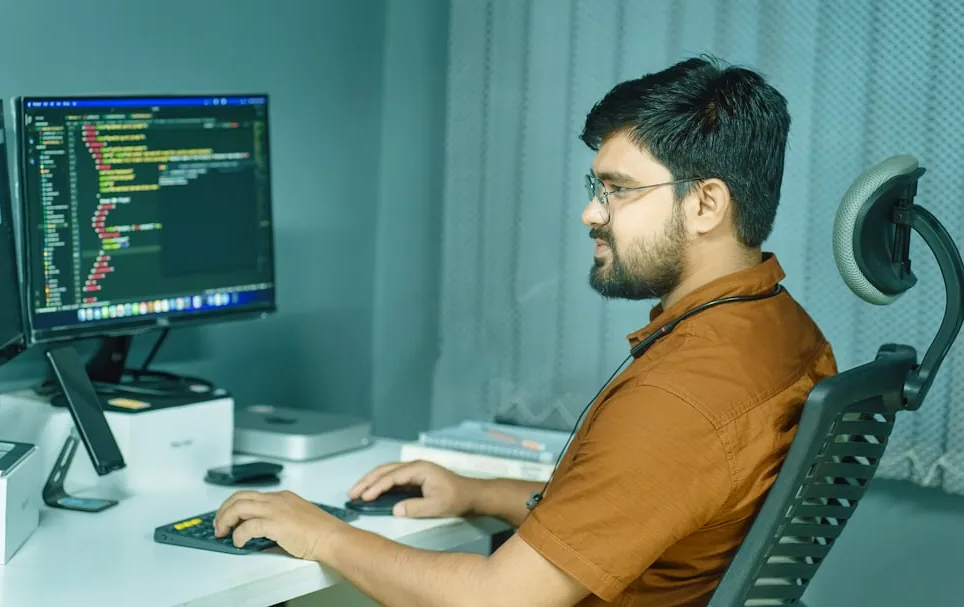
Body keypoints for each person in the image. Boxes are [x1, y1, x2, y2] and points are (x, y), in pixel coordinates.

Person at [213, 55, 837, 607]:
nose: (590, 212)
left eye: (618, 190)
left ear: (705, 204)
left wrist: (322, 532)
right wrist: (477, 493)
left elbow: (497, 600)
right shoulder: (783, 331)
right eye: (596, 187)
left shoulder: (681, 396)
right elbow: (642, 504)